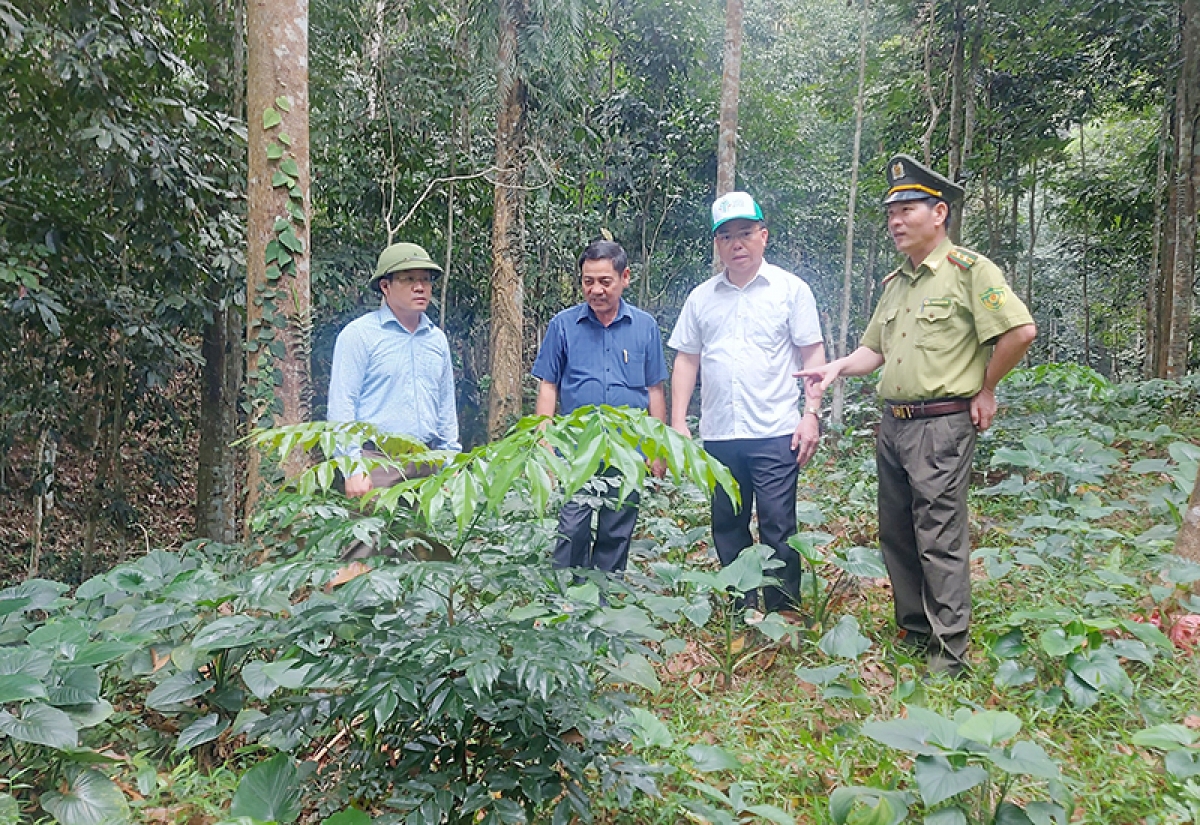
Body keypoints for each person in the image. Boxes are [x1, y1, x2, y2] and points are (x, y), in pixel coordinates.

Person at [798, 154, 1036, 675]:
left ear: (940, 213)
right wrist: (837, 367)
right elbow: (874, 351)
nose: (897, 221)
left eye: (908, 208)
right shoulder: (897, 284)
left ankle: (949, 655)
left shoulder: (970, 272)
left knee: (939, 537)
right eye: (891, 212)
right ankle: (914, 627)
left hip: (942, 424)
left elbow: (1019, 332)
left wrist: (987, 387)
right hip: (894, 424)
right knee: (897, 531)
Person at [668, 192, 826, 615]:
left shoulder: (791, 290)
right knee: (728, 524)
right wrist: (679, 420)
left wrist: (811, 416)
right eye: (726, 237)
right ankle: (741, 610)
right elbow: (686, 359)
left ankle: (783, 611)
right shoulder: (701, 297)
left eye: (745, 234)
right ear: (717, 244)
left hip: (775, 429)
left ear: (763, 236)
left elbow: (813, 355)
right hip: (720, 434)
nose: (736, 244)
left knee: (778, 524)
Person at [532, 238, 669, 573]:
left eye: (604, 281)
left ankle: (605, 605)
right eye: (588, 281)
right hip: (576, 449)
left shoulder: (645, 326)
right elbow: (548, 385)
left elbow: (655, 388)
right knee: (571, 528)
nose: (596, 290)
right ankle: (565, 601)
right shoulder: (563, 325)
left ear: (625, 278)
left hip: (629, 448)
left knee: (617, 528)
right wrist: (544, 442)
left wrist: (657, 447)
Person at [327, 242, 460, 497]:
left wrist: (449, 461)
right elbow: (342, 404)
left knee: (422, 537)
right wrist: (352, 468)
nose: (420, 287)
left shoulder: (437, 340)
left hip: (427, 464)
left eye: (425, 279)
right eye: (409, 279)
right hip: (375, 462)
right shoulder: (359, 335)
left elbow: (445, 407)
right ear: (385, 286)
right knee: (370, 536)